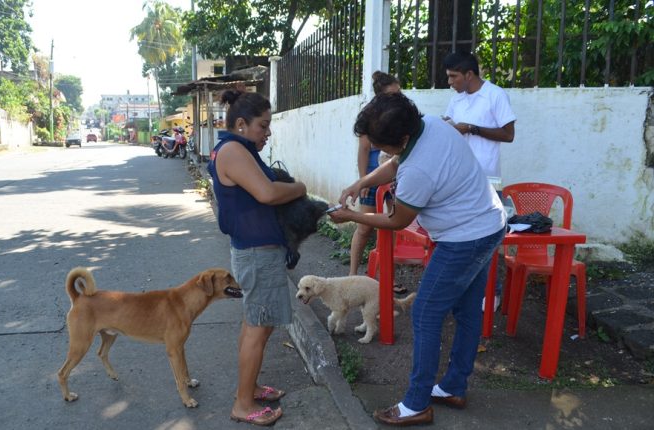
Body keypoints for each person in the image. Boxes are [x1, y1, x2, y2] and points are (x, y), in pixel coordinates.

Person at [329, 93, 506, 426]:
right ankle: (453, 386)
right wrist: (362, 182)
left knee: (424, 311)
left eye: (382, 144)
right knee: (468, 311)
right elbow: (397, 162)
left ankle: (417, 403)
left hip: (464, 239)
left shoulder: (419, 171)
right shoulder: (432, 125)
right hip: (488, 225)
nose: (379, 150)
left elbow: (396, 220)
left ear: (402, 137)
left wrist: (352, 217)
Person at [207, 90, 306, 426]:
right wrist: (300, 188)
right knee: (257, 327)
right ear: (241, 124)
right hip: (255, 253)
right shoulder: (233, 150)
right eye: (263, 126)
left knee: (258, 326)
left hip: (258, 251)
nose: (268, 132)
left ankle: (251, 387)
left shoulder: (239, 149)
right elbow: (267, 193)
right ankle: (243, 403)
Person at [442, 51, 516, 312]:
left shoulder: (495, 95)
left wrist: (472, 128)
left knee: (488, 237)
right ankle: (463, 291)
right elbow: (451, 126)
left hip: (487, 179)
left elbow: (509, 134)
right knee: (459, 234)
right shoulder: (457, 99)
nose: (450, 81)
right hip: (458, 178)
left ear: (469, 74)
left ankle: (492, 291)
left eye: (453, 76)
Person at [348, 72, 401, 290]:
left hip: (395, 175)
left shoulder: (401, 112)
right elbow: (363, 149)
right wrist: (363, 181)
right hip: (372, 176)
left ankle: (387, 277)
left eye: (399, 92)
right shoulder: (370, 114)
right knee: (364, 227)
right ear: (381, 95)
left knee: (392, 226)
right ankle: (352, 275)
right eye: (393, 94)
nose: (398, 97)